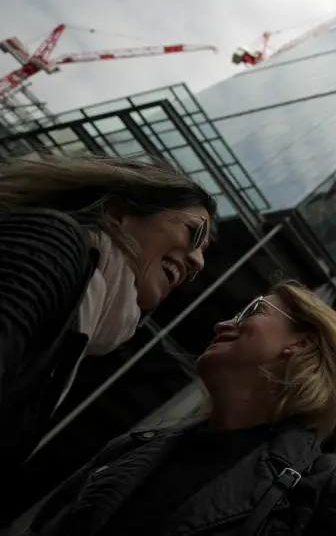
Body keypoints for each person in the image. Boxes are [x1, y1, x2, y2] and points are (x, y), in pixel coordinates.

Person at [25, 281, 336, 536]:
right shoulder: (131, 447)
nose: (222, 324)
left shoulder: (318, 485)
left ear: (299, 343)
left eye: (254, 311)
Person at [0, 155, 217, 465]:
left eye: (202, 255)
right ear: (120, 213)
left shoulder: (83, 322)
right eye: (194, 233)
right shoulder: (55, 243)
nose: (198, 263)